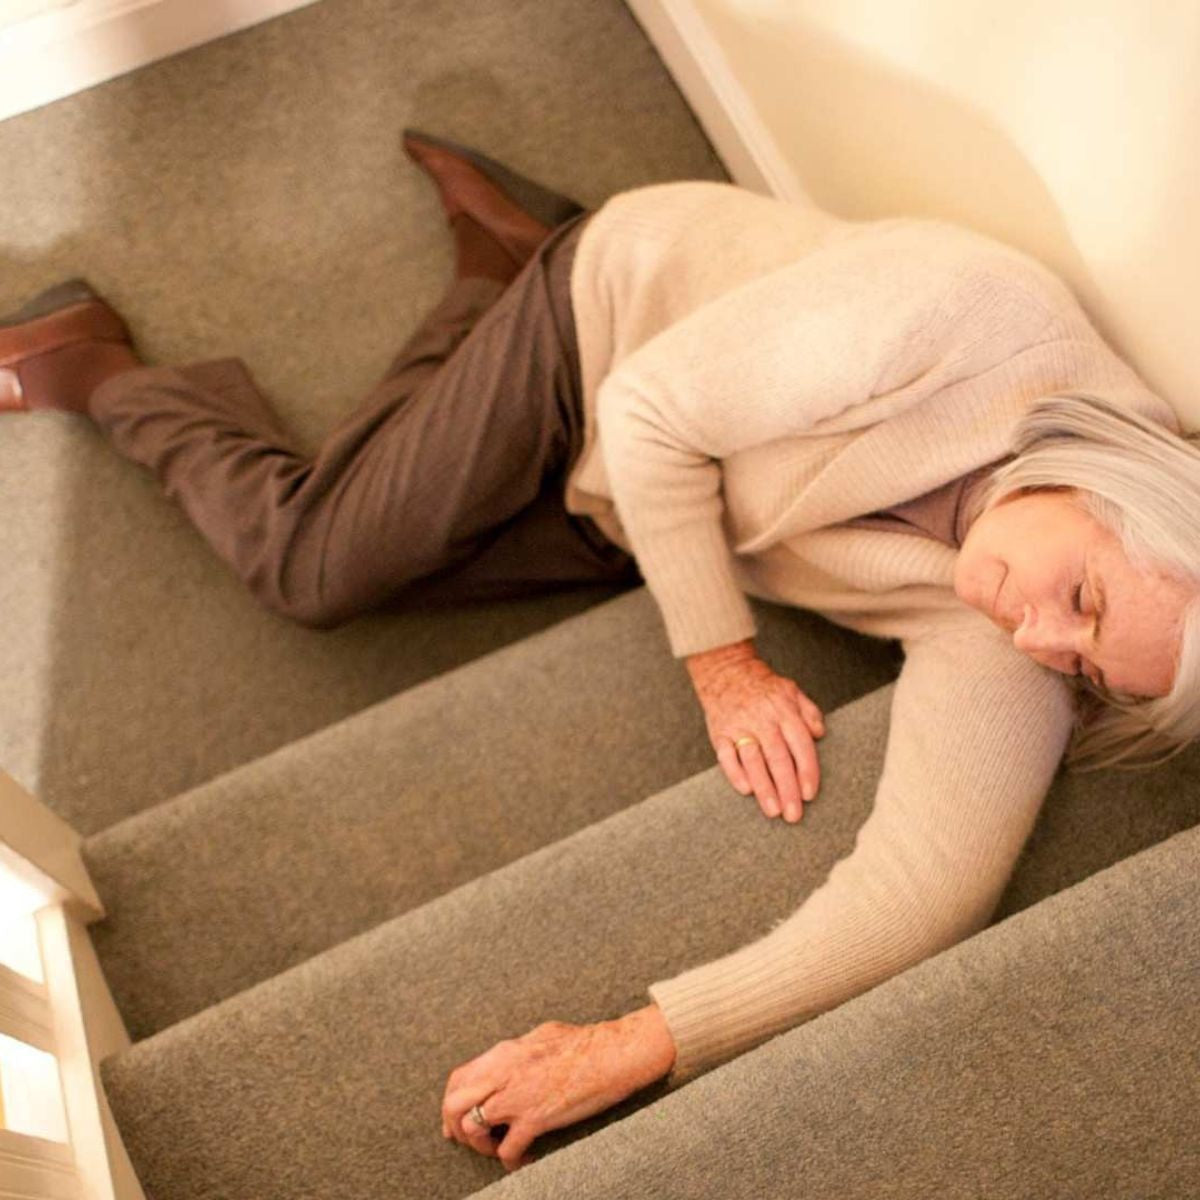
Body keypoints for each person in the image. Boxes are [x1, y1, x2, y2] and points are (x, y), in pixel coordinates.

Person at [3, 131, 1199, 1173]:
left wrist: (640, 1042)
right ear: (1109, 475)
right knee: (315, 565)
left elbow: (926, 893)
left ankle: (491, 259)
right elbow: (648, 412)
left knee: (390, 531)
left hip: (646, 514)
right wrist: (721, 660)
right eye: (1085, 601)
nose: (1036, 639)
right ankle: (95, 364)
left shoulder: (1034, 616)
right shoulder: (971, 317)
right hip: (615, 336)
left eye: (1089, 670)